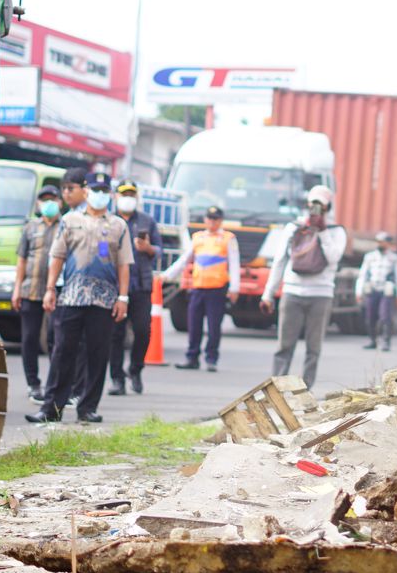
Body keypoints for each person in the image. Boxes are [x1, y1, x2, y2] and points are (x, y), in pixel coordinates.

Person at [27, 169, 133, 424]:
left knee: (97, 354)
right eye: (95, 190)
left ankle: (87, 408)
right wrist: (50, 289)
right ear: (86, 191)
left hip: (104, 299)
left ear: (110, 195)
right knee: (63, 351)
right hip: (73, 296)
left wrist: (123, 298)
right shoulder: (70, 219)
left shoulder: (118, 225)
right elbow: (58, 256)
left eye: (104, 191)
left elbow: (124, 264)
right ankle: (51, 408)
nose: (99, 195)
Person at [261, 185, 347, 388]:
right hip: (292, 292)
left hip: (321, 294)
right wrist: (268, 294)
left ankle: (305, 390)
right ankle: (277, 388)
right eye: (313, 206)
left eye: (321, 208)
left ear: (328, 208)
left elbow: (334, 259)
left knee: (313, 348)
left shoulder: (336, 232)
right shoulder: (293, 228)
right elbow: (279, 261)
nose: (316, 211)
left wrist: (322, 231)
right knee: (284, 345)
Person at [167, 205, 239, 371]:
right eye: (210, 218)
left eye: (216, 219)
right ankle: (192, 357)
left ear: (220, 221)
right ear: (206, 220)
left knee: (214, 326)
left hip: (217, 289)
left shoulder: (228, 238)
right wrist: (167, 275)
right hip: (198, 288)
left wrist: (234, 288)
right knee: (194, 325)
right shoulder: (198, 238)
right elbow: (185, 260)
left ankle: (211, 358)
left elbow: (234, 264)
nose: (212, 222)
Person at [12, 183, 63, 403]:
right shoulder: (30, 227)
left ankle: (56, 384)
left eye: (53, 199)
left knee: (55, 338)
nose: (49, 203)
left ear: (59, 202)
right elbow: (22, 259)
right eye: (45, 199)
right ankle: (33, 384)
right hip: (30, 290)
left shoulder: (66, 227)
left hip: (58, 292)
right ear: (38, 203)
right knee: (30, 338)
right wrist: (16, 288)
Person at [108, 180, 159, 396]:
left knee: (142, 330)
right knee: (116, 334)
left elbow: (159, 249)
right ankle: (117, 379)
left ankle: (136, 369)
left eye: (131, 194)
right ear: (116, 197)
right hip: (116, 285)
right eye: (124, 194)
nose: (127, 198)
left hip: (141, 285)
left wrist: (148, 248)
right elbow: (103, 249)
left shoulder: (147, 221)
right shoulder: (109, 221)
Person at [356, 231, 397, 352]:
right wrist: (358, 292)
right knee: (370, 317)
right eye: (379, 242)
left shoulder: (394, 258)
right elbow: (362, 275)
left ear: (388, 243)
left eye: (383, 242)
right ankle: (372, 340)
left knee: (385, 317)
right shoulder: (370, 257)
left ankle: (386, 341)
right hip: (372, 289)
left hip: (386, 291)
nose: (380, 244)